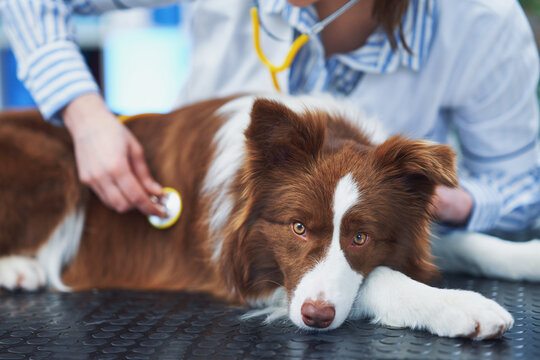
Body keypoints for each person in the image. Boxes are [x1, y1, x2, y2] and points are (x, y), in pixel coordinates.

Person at [1, 0, 539, 233]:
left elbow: (524, 186)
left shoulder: (481, 23)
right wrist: (85, 113)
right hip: (188, 233)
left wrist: (448, 203)